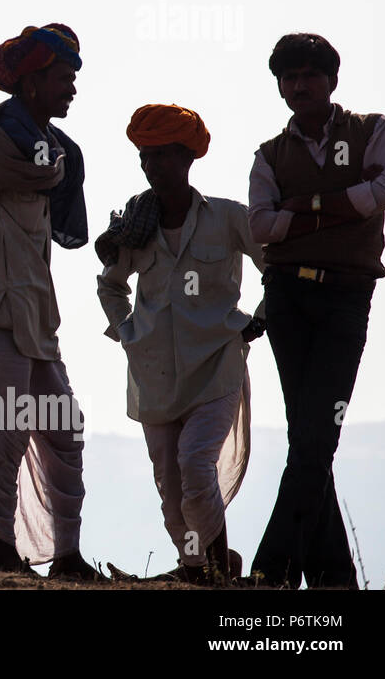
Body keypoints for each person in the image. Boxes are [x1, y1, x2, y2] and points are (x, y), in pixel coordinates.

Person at [0, 23, 101, 580]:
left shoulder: (58, 152)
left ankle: (67, 557)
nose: (72, 88)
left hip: (36, 317)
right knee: (4, 435)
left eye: (74, 77)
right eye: (63, 77)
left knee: (64, 430)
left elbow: (68, 235)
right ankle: (3, 552)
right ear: (31, 82)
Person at [95, 104, 264, 584]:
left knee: (195, 465)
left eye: (162, 155)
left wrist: (259, 321)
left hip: (216, 367)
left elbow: (276, 265)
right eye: (145, 157)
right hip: (153, 373)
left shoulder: (229, 218)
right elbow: (110, 286)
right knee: (170, 487)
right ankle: (197, 568)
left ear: (188, 158)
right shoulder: (136, 223)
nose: (151, 166)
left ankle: (216, 571)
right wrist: (125, 330)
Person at [248, 33, 385, 589]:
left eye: (310, 74)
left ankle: (270, 570)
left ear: (332, 80)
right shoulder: (269, 153)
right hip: (288, 298)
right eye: (290, 77)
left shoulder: (371, 130)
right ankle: (333, 577)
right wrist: (342, 207)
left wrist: (305, 208)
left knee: (314, 435)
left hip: (345, 298)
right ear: (281, 87)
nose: (300, 85)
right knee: (310, 437)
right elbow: (262, 226)